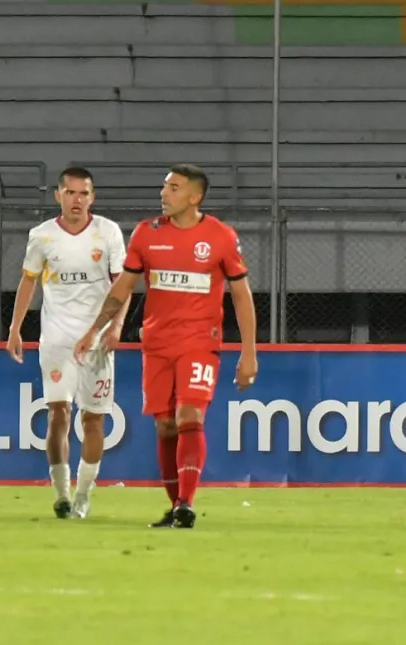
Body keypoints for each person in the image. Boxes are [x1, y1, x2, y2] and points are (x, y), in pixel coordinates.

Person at [74, 163, 258, 529]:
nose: (164, 193)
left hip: (199, 343)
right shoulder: (146, 233)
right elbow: (122, 288)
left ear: (195, 196)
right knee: (165, 425)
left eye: (174, 187)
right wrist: (94, 330)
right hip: (157, 345)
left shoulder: (220, 236)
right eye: (164, 186)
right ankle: (176, 506)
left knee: (190, 415)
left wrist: (249, 352)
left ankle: (186, 502)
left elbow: (241, 295)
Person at [6, 166, 128, 519]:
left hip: (98, 340)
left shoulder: (108, 232)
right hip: (57, 338)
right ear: (58, 195)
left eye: (83, 193)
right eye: (70, 193)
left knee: (93, 420)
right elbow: (28, 281)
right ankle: (61, 493)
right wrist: (15, 328)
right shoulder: (42, 235)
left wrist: (116, 327)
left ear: (92, 197)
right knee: (58, 413)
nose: (77, 200)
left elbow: (122, 285)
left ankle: (84, 494)